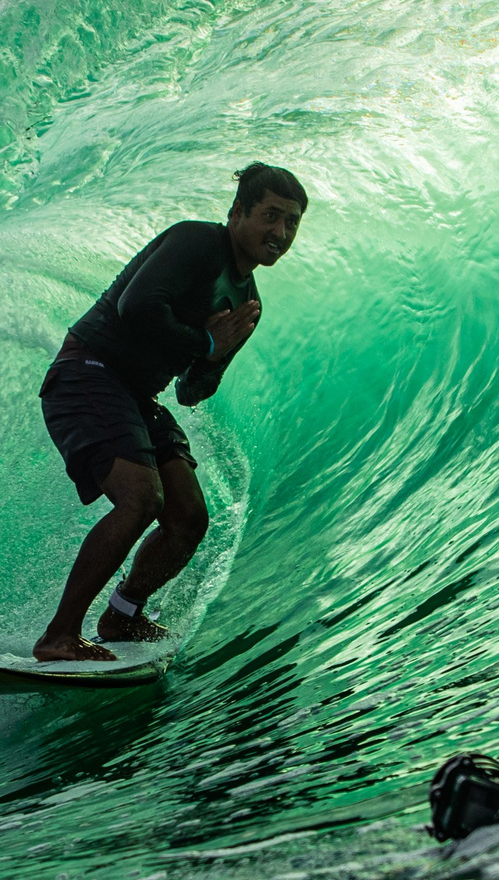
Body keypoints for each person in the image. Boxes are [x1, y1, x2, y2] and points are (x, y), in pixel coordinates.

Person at [33, 163, 308, 661]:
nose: (280, 233)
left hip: (138, 396)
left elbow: (190, 391)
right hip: (88, 371)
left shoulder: (247, 300)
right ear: (237, 212)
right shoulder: (197, 243)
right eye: (270, 216)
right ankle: (59, 636)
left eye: (291, 222)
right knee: (141, 500)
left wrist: (214, 354)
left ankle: (122, 615)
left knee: (189, 518)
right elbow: (135, 308)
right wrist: (205, 340)